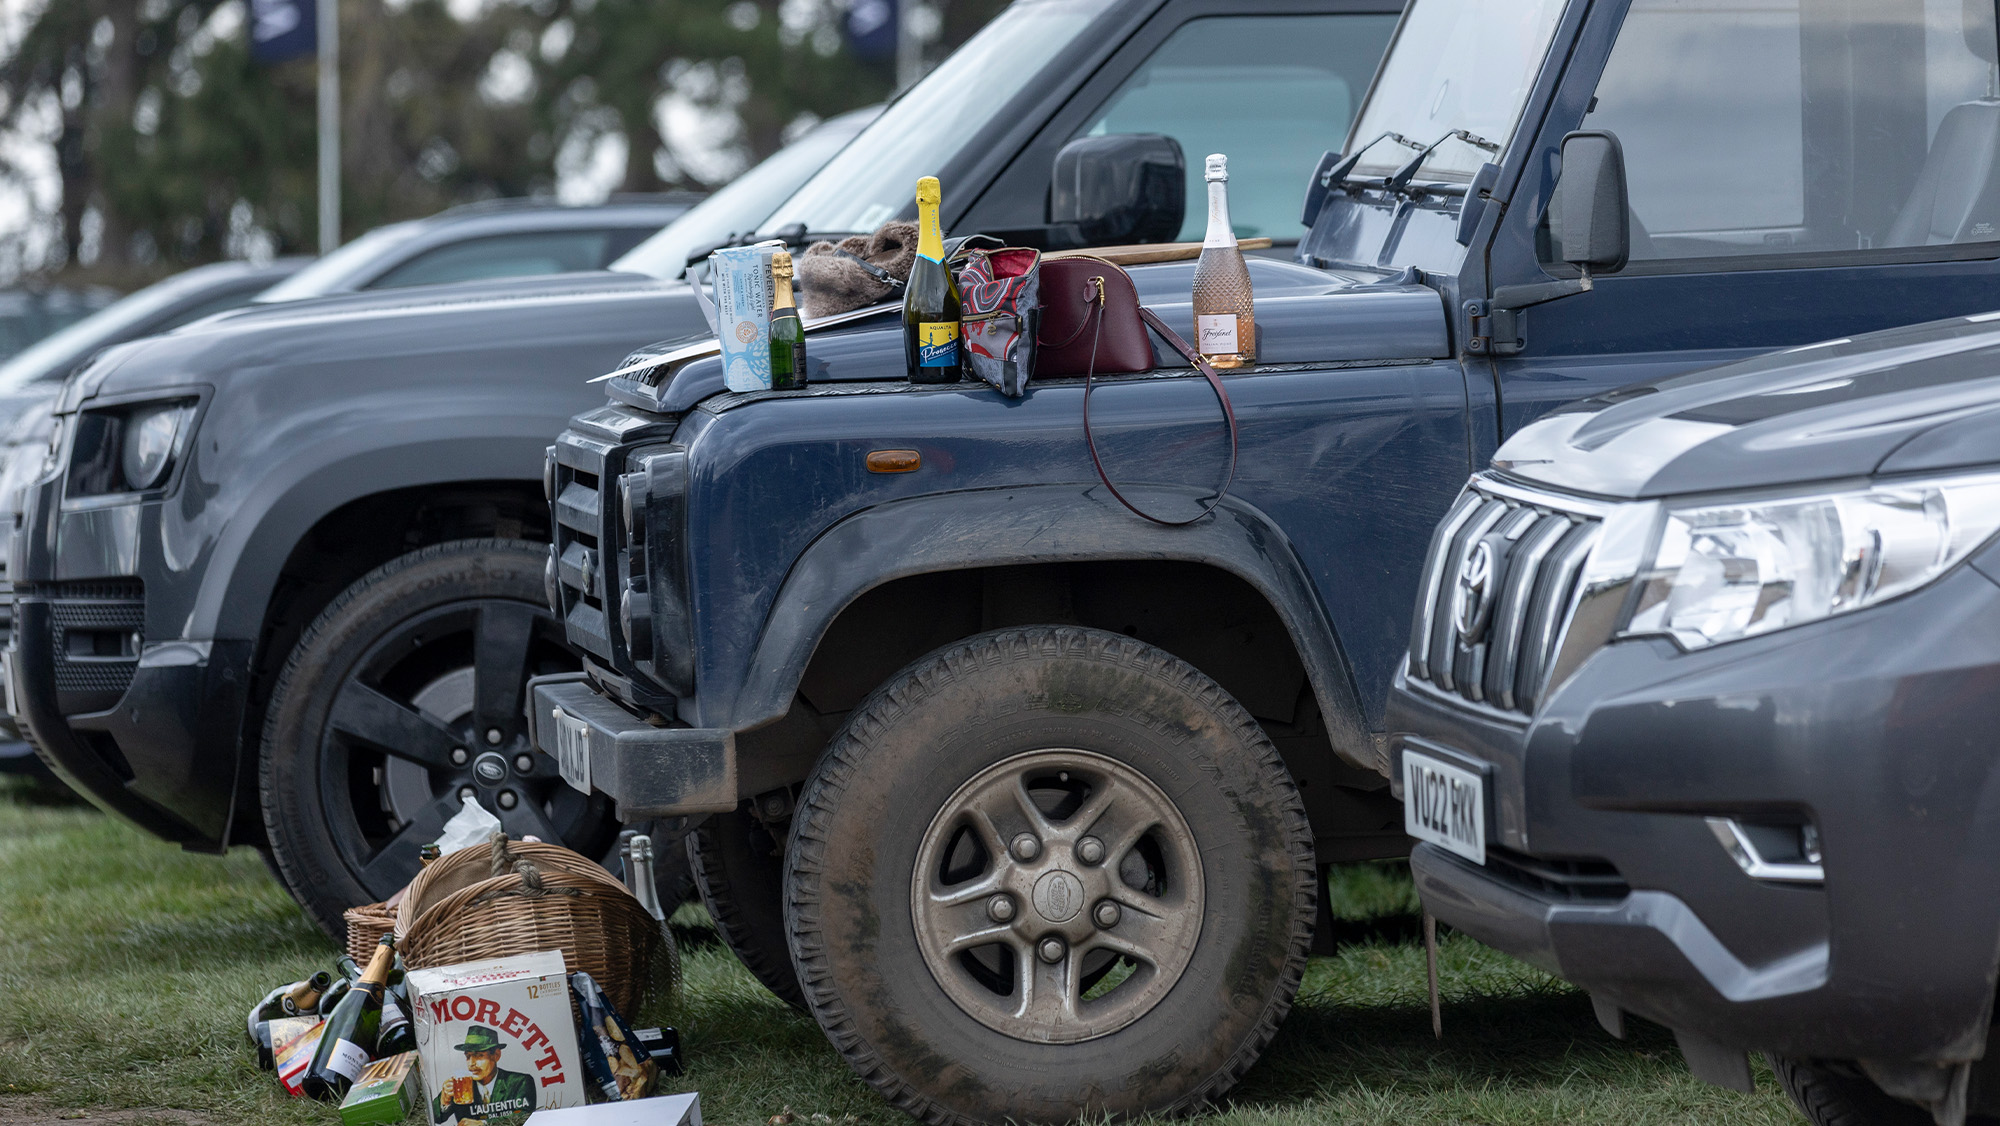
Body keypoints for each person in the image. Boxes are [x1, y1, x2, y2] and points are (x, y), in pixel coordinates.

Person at [433, 1025, 536, 1122]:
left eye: (478, 1055)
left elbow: (525, 1115)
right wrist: (444, 1103)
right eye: (468, 1057)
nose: (471, 1064)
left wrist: (485, 1124)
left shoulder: (520, 1082)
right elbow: (435, 1118)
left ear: (496, 1055)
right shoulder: (461, 1085)